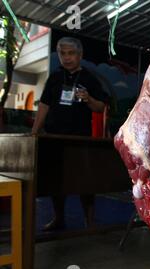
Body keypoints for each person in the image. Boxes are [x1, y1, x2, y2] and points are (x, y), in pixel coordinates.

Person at [31, 37, 109, 231]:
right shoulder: (55, 77)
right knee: (55, 181)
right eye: (63, 53)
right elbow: (44, 105)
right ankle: (59, 218)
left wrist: (89, 98)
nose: (67, 58)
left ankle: (89, 221)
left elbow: (100, 107)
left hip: (79, 138)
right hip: (54, 137)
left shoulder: (90, 78)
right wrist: (34, 132)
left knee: (85, 180)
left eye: (71, 53)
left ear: (80, 55)